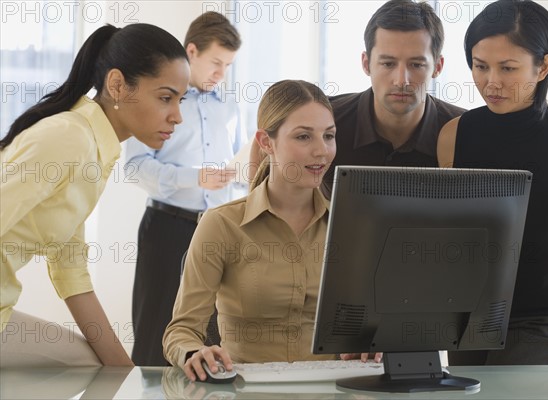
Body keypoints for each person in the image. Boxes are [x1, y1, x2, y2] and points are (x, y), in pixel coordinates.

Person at [0, 23, 190, 367]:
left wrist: (125, 372)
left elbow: (70, 271)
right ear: (117, 85)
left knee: (98, 367)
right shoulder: (70, 138)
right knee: (83, 368)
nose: (177, 116)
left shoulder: (94, 150)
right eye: (165, 97)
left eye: (180, 99)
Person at [437, 0, 548, 385]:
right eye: (480, 66)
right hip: (471, 313)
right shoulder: (453, 136)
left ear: (543, 67)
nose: (491, 82)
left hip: (543, 315)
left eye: (508, 68)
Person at [162, 80, 338, 381]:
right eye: (304, 136)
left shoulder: (346, 225)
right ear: (267, 142)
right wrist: (194, 352)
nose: (322, 150)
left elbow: (368, 327)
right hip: (245, 389)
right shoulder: (221, 224)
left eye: (329, 136)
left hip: (330, 387)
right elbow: (181, 331)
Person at [124, 12, 246, 366]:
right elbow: (135, 166)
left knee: (211, 334)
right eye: (216, 62)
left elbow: (236, 166)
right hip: (167, 228)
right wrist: (196, 177)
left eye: (228, 65)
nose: (221, 73)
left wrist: (242, 174)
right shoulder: (157, 99)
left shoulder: (230, 107)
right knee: (154, 332)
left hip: (217, 230)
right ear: (191, 51)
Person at [320, 0, 465, 199]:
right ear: (366, 63)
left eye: (416, 64)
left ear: (438, 67)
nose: (401, 80)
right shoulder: (325, 120)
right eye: (388, 64)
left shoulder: (466, 132)